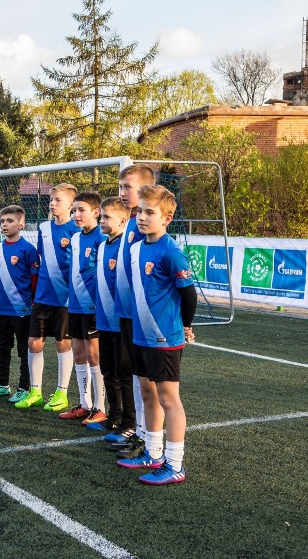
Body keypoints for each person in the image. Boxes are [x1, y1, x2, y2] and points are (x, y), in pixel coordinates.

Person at [116, 185, 196, 485]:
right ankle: (153, 452)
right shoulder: (137, 248)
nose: (142, 217)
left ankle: (175, 465)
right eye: (140, 211)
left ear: (167, 218)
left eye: (150, 212)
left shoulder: (171, 252)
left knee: (169, 398)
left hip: (164, 338)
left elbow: (189, 296)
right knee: (148, 394)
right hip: (140, 336)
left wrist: (185, 325)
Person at [15, 183, 80, 411]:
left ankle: (62, 393)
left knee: (63, 344)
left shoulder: (76, 231)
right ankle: (36, 391)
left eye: (58, 200)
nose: (52, 203)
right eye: (51, 199)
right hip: (42, 296)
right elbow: (42, 258)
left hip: (65, 299)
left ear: (71, 205)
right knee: (34, 343)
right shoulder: (43, 228)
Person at [108, 165, 157, 458]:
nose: (122, 192)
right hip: (126, 312)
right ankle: (135, 428)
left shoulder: (145, 228)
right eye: (120, 187)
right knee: (132, 375)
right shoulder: (130, 224)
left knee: (146, 381)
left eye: (128, 187)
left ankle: (145, 435)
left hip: (142, 316)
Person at [59, 192, 107, 424]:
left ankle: (100, 406)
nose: (76, 215)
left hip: (94, 307)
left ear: (96, 213)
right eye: (74, 210)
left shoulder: (101, 238)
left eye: (81, 210)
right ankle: (84, 403)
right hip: (75, 305)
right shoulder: (76, 238)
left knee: (94, 355)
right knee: (78, 354)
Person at [88, 197, 132, 433]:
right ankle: (114, 416)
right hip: (103, 321)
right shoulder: (102, 245)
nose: (102, 220)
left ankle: (129, 421)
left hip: (122, 323)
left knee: (124, 373)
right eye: (101, 216)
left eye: (107, 217)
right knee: (108, 371)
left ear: (123, 220)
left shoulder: (127, 245)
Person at [0, 205, 39, 401]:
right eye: (2, 221)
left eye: (10, 221)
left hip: (23, 310)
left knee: (23, 350)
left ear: (21, 224)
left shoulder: (28, 249)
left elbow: (34, 280)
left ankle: (24, 388)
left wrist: (32, 304)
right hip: (2, 309)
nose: (5, 224)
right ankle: (2, 385)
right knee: (2, 348)